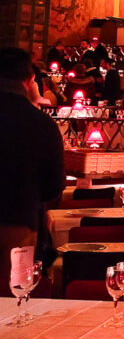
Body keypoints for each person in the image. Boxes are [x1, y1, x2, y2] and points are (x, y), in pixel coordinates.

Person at [0, 47, 64, 276]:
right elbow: (54, 186)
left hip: (20, 216)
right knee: (13, 293)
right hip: (18, 221)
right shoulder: (40, 123)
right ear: (29, 80)